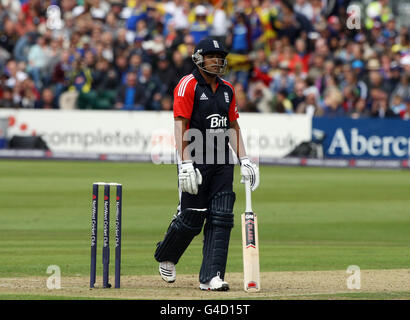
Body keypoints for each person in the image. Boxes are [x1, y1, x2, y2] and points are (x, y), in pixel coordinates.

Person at [154, 38, 260, 291]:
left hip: (222, 159)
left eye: (220, 57)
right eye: (212, 56)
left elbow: (233, 125)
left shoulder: (227, 89)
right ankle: (166, 254)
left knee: (222, 216)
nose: (217, 61)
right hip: (196, 156)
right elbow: (180, 124)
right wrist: (185, 163)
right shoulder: (187, 85)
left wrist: (244, 159)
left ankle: (211, 276)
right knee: (192, 217)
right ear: (199, 58)